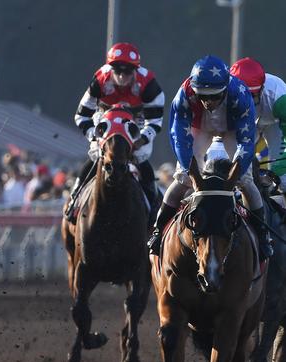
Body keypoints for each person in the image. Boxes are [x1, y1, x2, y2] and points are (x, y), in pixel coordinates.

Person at [147, 55, 273, 260]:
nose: (208, 102)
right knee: (181, 179)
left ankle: (262, 235)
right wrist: (193, 175)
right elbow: (179, 138)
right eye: (203, 96)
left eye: (215, 96)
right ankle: (158, 231)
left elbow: (246, 141)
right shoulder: (184, 95)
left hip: (233, 128)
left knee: (246, 181)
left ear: (225, 89)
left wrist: (235, 176)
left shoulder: (240, 94)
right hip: (201, 127)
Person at [67, 42, 165, 221]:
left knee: (141, 157)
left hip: (136, 121)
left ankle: (154, 206)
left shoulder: (148, 84)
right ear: (109, 68)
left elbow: (155, 121)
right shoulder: (100, 80)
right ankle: (75, 195)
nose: (121, 76)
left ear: (136, 70)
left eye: (127, 71)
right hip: (106, 118)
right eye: (117, 70)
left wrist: (141, 139)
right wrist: (95, 136)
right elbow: (81, 116)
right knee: (97, 156)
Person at [230, 57, 286, 190]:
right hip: (247, 122)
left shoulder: (280, 98)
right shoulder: (224, 93)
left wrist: (277, 170)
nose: (247, 100)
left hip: (275, 122)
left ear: (262, 87)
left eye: (252, 95)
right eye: (242, 96)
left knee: (283, 179)